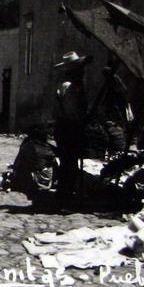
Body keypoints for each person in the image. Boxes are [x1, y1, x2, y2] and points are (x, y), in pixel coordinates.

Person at [52, 51, 91, 202]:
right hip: (68, 128)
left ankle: (66, 193)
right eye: (80, 69)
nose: (83, 72)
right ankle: (65, 194)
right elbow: (71, 112)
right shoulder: (68, 87)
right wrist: (82, 120)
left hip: (68, 127)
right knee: (69, 162)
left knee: (70, 162)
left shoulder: (74, 86)